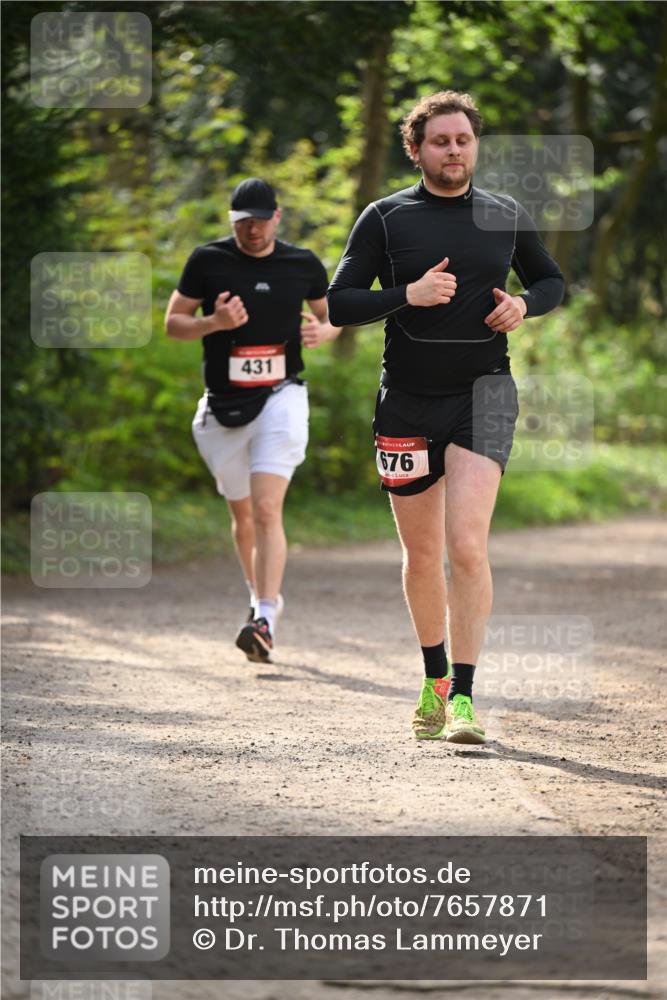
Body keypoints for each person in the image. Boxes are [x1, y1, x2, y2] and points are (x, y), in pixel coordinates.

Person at [328, 92, 564, 744]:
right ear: (416, 149)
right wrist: (407, 294)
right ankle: (432, 678)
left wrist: (523, 305)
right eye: (440, 141)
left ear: (474, 145)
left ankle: (463, 695)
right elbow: (339, 304)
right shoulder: (384, 218)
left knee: (465, 545)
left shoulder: (502, 214)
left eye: (462, 139)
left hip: (483, 394)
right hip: (403, 399)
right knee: (421, 553)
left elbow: (550, 282)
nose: (453, 150)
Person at [166, 178, 340, 663]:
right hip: (223, 405)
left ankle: (264, 616)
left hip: (283, 396)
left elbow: (331, 316)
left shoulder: (302, 263)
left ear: (277, 217)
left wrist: (322, 332)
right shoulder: (208, 260)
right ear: (232, 221)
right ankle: (259, 597)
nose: (253, 229)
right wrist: (212, 324)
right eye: (243, 221)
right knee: (242, 517)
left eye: (261, 220)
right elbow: (172, 323)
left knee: (266, 509)